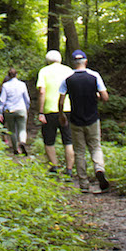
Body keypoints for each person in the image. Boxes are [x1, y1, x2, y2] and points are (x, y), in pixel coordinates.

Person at [58, 49, 110, 193]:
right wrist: (96, 96)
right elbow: (105, 97)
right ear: (85, 61)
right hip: (92, 118)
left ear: (73, 63)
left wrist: (61, 115)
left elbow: (61, 101)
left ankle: (84, 184)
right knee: (95, 147)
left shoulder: (67, 79)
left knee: (79, 151)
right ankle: (99, 168)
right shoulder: (94, 76)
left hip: (76, 120)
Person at [35, 49, 75, 179]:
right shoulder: (68, 70)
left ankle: (54, 167)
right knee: (68, 140)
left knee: (49, 140)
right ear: (60, 59)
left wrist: (41, 111)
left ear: (47, 60)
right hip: (67, 109)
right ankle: (69, 170)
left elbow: (42, 91)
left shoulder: (44, 71)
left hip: (49, 110)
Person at [0, 67, 31, 156]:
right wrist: (27, 108)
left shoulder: (5, 86)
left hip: (9, 110)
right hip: (21, 109)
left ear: (8, 76)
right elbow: (27, 99)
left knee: (12, 130)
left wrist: (0, 112)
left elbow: (2, 100)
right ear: (16, 75)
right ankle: (22, 142)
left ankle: (16, 149)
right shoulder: (22, 84)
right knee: (22, 129)